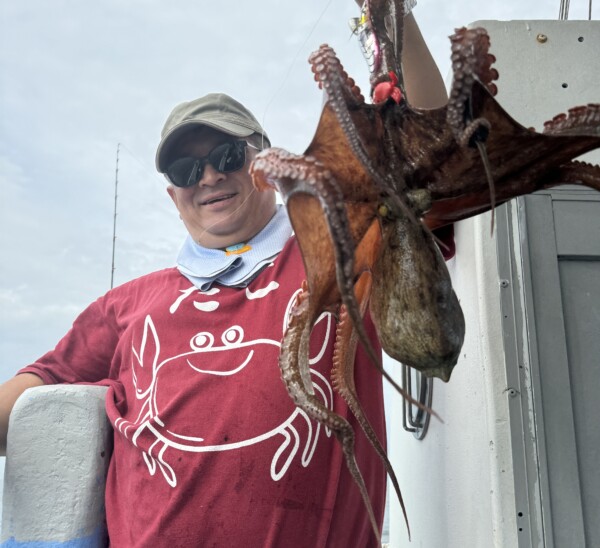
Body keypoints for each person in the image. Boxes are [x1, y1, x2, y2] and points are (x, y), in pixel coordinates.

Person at [0, 8, 447, 547]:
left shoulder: (344, 249)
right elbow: (37, 388)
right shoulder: (129, 304)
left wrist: (390, 12)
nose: (209, 176)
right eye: (187, 171)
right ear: (173, 195)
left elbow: (432, 156)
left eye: (227, 155)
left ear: (264, 161)